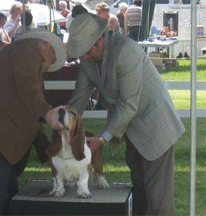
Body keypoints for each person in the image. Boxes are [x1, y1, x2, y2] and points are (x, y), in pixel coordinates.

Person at [66, 13, 185, 215]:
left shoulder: (126, 51)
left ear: (99, 40)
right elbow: (79, 99)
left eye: (84, 51)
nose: (82, 57)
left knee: (158, 203)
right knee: (140, 196)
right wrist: (64, 125)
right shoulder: (87, 61)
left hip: (156, 128)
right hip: (133, 131)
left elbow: (129, 104)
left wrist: (102, 138)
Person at [0, 28, 66, 215]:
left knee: (7, 201)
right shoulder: (28, 49)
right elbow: (28, 88)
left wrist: (52, 150)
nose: (49, 66)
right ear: (46, 45)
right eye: (52, 59)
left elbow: (28, 110)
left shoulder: (23, 56)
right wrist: (47, 112)